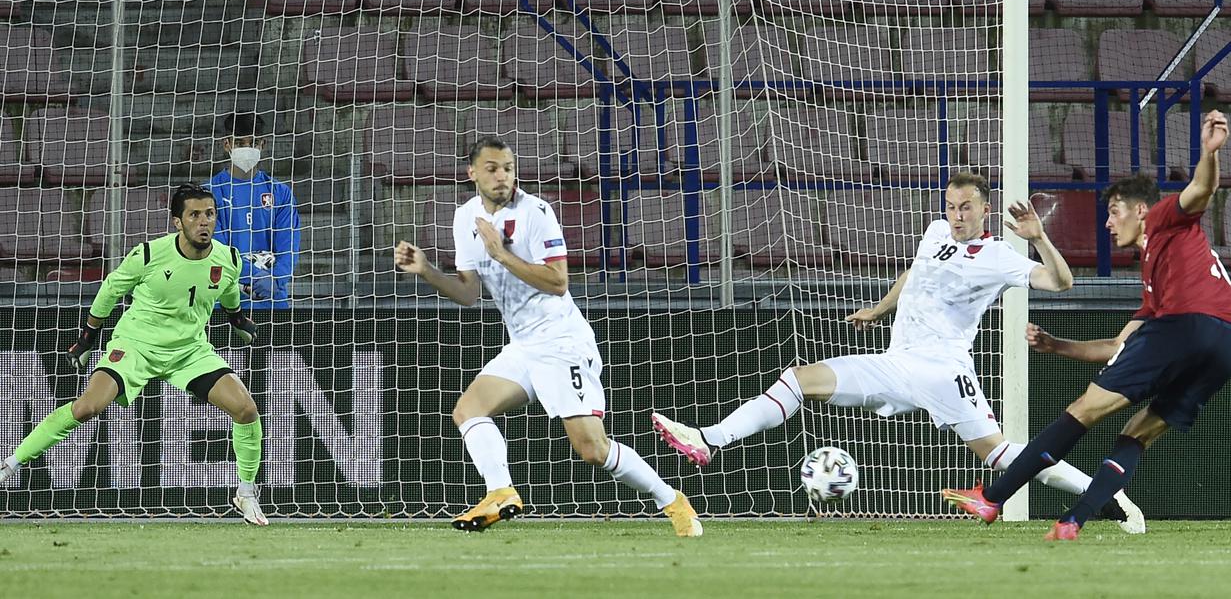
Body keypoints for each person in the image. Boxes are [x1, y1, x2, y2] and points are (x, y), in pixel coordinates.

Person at [652, 171, 1145, 533]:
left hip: (943, 371)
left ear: (984, 210)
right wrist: (879, 307)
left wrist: (1040, 240)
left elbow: (1062, 282)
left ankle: (1105, 494)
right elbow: (916, 273)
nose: (956, 214)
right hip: (896, 362)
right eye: (951, 205)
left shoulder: (999, 257)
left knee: (997, 455)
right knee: (798, 379)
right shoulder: (934, 232)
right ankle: (709, 440)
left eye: (966, 207)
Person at [394, 136, 702, 537]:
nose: (502, 176)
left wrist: (502, 254)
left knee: (592, 449)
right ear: (472, 173)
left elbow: (558, 282)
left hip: (561, 342)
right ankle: (500, 492)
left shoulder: (537, 213)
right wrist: (427, 270)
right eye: (492, 168)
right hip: (523, 345)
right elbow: (469, 293)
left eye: (507, 167)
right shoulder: (464, 217)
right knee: (468, 410)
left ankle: (673, 501)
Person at [944, 110, 1231, 541]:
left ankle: (993, 496)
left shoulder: (1164, 218)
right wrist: (1057, 345)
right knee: (1138, 433)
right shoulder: (1159, 275)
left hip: (1183, 327)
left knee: (1081, 413)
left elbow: (1201, 189)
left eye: (1115, 212)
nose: (1109, 222)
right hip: (1223, 347)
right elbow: (1119, 345)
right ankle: (1074, 520)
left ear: (1139, 209)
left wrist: (1210, 153)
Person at [0, 184, 267, 524]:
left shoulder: (227, 258)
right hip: (136, 345)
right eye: (195, 215)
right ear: (177, 222)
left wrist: (238, 318)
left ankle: (245, 494)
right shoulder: (149, 255)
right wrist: (87, 337)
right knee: (87, 407)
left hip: (189, 350)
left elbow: (228, 290)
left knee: (246, 409)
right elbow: (111, 289)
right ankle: (11, 463)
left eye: (209, 214)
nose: (204, 222)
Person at [208, 113, 300, 310]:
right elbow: (218, 250)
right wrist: (255, 277)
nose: (247, 149)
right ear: (227, 145)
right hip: (223, 303)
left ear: (263, 145)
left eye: (253, 143)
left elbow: (289, 248)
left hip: (273, 300)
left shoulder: (281, 193)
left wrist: (276, 279)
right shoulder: (209, 193)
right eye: (240, 143)